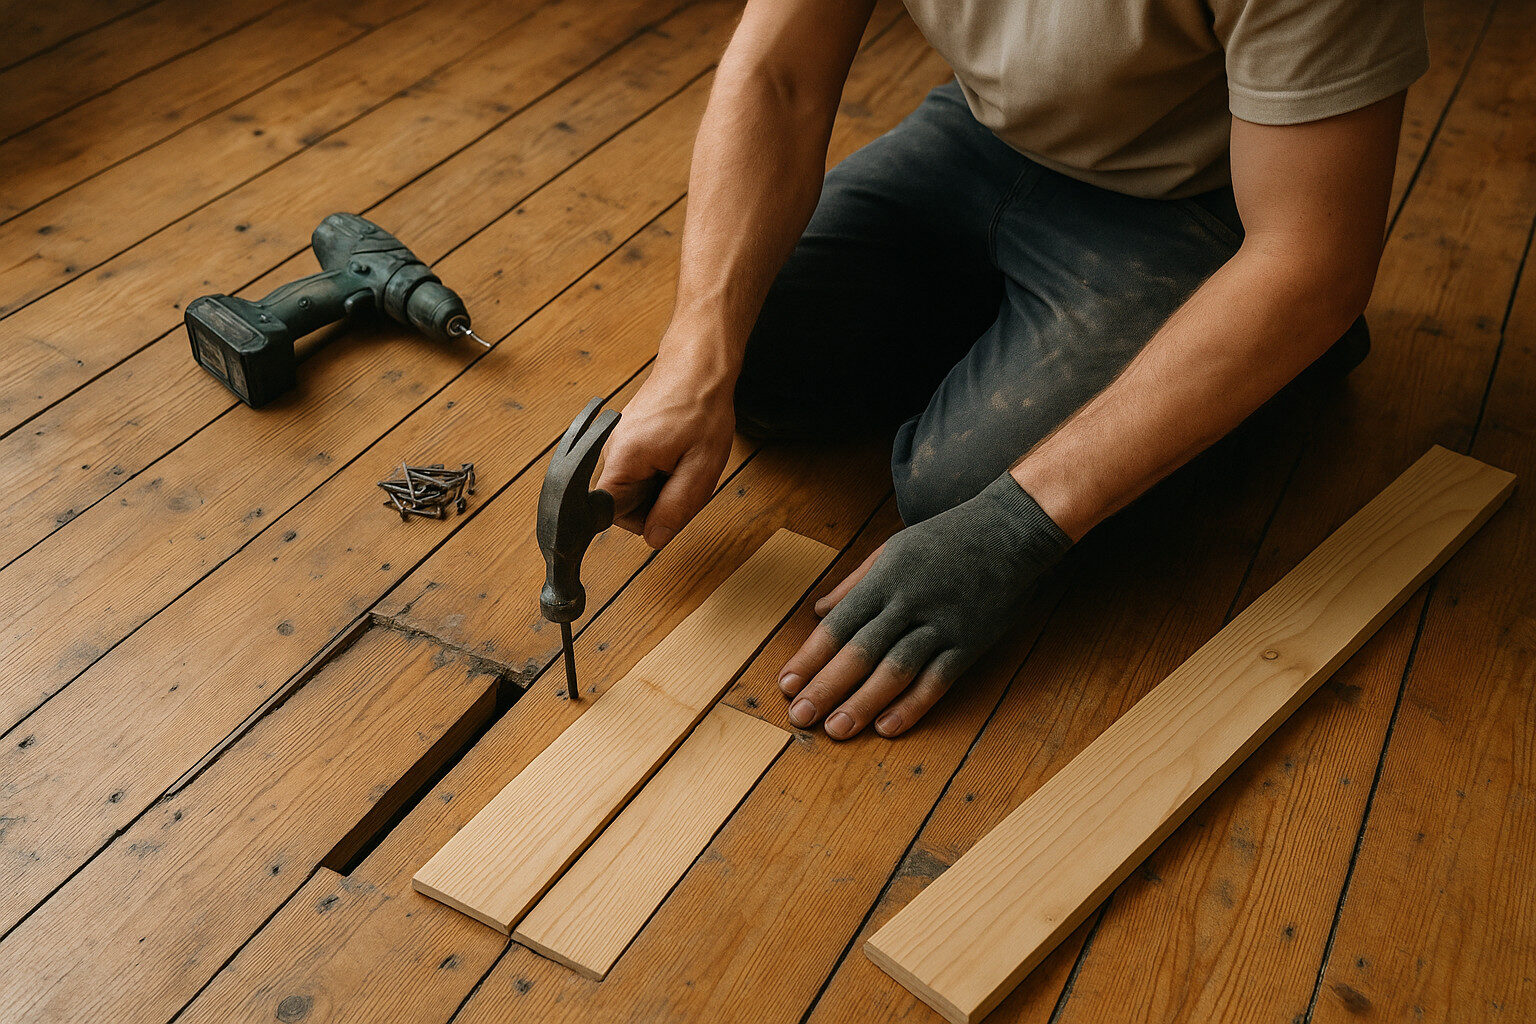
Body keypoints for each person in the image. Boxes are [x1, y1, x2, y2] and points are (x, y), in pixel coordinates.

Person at [594, 0, 1428, 741]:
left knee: (960, 496)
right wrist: (692, 360)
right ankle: (1050, 333)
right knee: (757, 364)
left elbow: (1311, 257)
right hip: (987, 134)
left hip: (1202, 199)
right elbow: (777, 73)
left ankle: (1277, 352)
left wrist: (1015, 523)